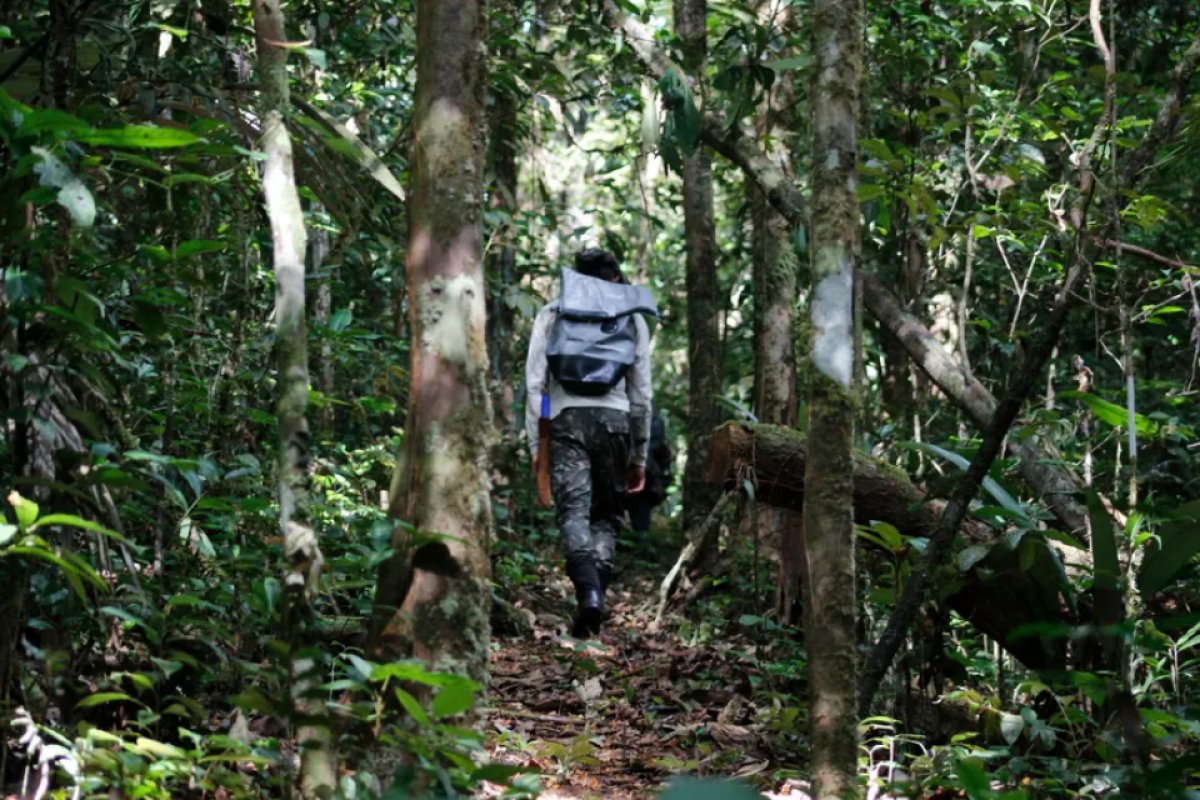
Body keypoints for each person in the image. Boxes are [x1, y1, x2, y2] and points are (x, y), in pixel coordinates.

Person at [524, 248, 654, 638]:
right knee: (607, 516)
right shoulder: (632, 320)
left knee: (573, 513)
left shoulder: (552, 313)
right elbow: (642, 395)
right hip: (615, 422)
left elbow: (536, 387)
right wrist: (639, 455)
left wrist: (537, 443)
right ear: (616, 277)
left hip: (565, 420)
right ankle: (595, 596)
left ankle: (588, 596)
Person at [625, 407, 671, 532]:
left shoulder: (616, 407)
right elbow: (662, 449)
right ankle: (640, 543)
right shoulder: (652, 415)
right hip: (644, 471)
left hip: (635, 471)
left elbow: (660, 448)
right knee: (641, 515)